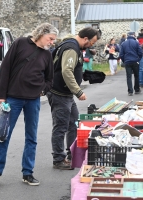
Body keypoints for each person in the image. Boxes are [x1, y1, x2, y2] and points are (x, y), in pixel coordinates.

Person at [0, 23, 58, 188]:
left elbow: (49, 79)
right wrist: (1, 96)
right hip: (12, 99)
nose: (52, 42)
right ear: (42, 33)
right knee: (3, 135)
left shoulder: (47, 55)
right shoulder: (20, 43)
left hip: (33, 100)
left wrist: (42, 90)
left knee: (31, 137)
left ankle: (28, 172)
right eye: (51, 38)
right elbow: (5, 69)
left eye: (54, 40)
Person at [47, 27, 100, 170]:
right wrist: (77, 91)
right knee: (61, 126)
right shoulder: (71, 48)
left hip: (66, 94)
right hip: (60, 93)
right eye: (92, 42)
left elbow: (71, 69)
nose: (91, 45)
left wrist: (85, 75)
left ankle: (71, 155)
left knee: (74, 125)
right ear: (85, 38)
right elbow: (66, 70)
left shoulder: (73, 47)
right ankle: (58, 159)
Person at [120, 32, 143, 96]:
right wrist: (138, 59)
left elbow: (121, 54)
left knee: (128, 76)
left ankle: (130, 91)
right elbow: (140, 52)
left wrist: (124, 60)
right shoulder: (136, 42)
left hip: (127, 61)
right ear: (133, 35)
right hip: (135, 61)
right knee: (136, 76)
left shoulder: (123, 43)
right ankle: (137, 89)